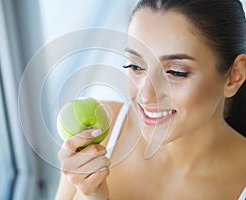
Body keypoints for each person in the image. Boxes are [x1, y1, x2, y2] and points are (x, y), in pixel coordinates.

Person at [55, 0, 246, 199]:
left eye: (175, 72)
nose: (145, 95)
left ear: (234, 76)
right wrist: (91, 195)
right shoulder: (102, 132)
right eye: (135, 66)